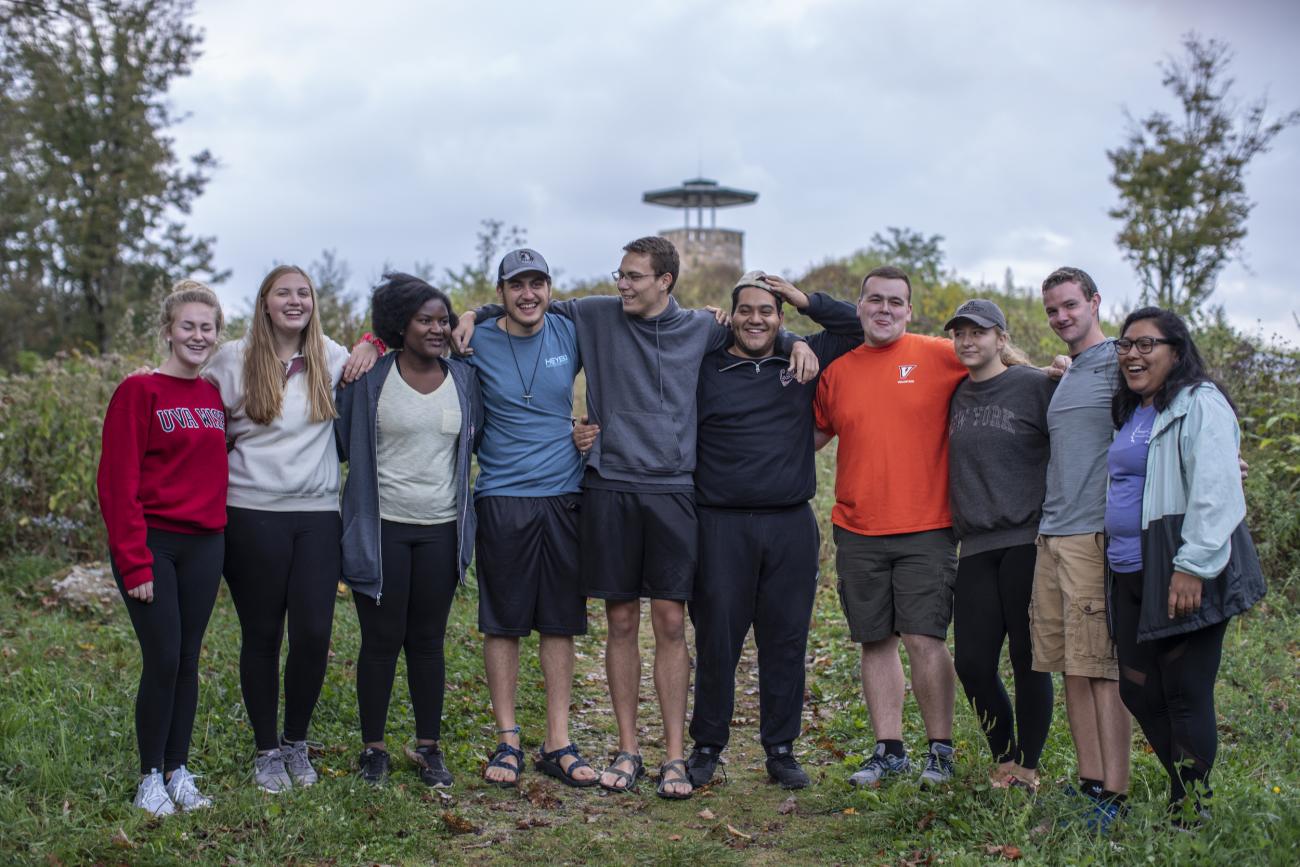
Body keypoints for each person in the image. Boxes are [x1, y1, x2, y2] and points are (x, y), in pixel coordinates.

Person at [453, 236, 818, 799]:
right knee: (621, 622)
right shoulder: (596, 314)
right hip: (609, 488)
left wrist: (795, 339)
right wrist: (474, 312)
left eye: (633, 276)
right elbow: (526, 304)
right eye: (619, 274)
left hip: (674, 491)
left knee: (671, 622)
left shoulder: (703, 326)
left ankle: (675, 755)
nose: (621, 284)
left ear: (664, 281)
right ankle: (627, 749)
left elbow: (755, 328)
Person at [203, 265, 380, 792]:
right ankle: (266, 751)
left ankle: (296, 742)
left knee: (312, 633)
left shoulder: (331, 355)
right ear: (265, 301)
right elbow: (189, 396)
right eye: (284, 293)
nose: (295, 301)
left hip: (316, 515)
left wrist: (371, 340)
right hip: (251, 512)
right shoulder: (231, 359)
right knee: (262, 635)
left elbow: (384, 361)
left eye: (303, 293)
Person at [681, 271, 860, 789]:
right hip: (720, 524)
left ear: (780, 316)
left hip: (789, 524)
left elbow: (854, 327)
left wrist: (802, 311)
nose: (755, 319)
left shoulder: (801, 359)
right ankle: (707, 746)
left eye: (767, 311)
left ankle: (780, 749)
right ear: (730, 315)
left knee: (785, 641)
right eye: (746, 311)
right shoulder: (705, 364)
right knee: (718, 641)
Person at [1105, 307, 1264, 824]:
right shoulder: (1133, 409)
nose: (1133, 354)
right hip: (1128, 567)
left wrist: (1192, 565)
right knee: (1136, 686)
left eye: (1146, 344)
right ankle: (1184, 788)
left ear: (1177, 350)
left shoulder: (1200, 403)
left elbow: (1216, 491)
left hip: (1182, 564)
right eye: (1126, 344)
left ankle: (1192, 808)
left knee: (1185, 689)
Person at [813, 265, 968, 787]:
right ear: (858, 307)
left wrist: (1057, 369)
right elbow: (807, 438)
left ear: (909, 311)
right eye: (874, 300)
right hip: (857, 527)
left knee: (925, 638)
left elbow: (1004, 369)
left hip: (927, 525)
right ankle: (889, 749)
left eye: (894, 302)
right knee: (874, 640)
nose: (884, 309)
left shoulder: (941, 355)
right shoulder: (838, 372)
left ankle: (940, 751)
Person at [335, 274, 482, 787]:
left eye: (444, 320)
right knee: (380, 640)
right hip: (382, 529)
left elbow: (474, 441)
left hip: (442, 528)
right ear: (401, 324)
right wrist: (367, 344)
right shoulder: (370, 377)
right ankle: (373, 748)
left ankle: (428, 747)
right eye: (426, 320)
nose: (438, 329)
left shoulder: (464, 378)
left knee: (427, 641)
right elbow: (340, 442)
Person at [97, 281, 228, 816]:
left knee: (189, 659)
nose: (197, 336)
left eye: (207, 327)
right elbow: (115, 482)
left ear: (217, 335)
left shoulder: (213, 395)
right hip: (153, 543)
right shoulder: (139, 391)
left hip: (205, 543)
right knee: (164, 657)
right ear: (168, 331)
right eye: (188, 326)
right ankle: (149, 776)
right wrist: (133, 560)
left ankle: (178, 770)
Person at [467, 249, 597, 788]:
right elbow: (413, 339)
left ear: (550, 288)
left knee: (559, 620)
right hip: (501, 495)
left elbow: (638, 336)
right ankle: (507, 740)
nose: (528, 294)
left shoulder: (570, 332)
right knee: (504, 620)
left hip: (564, 493)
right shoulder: (475, 339)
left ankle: (558, 741)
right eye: (517, 285)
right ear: (500, 291)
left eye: (537, 283)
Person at [1034, 267, 1131, 827]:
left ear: (1095, 302)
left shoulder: (1124, 360)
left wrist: (1224, 456)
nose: (1062, 317)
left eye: (1071, 305)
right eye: (1052, 310)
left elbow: (1184, 398)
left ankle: (1114, 797)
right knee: (1070, 666)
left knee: (1102, 668)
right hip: (1052, 533)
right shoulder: (1069, 371)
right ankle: (1090, 782)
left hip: (1094, 534)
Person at [944, 299, 1055, 791]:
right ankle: (1003, 755)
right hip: (975, 546)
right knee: (971, 662)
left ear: (1001, 339)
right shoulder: (953, 393)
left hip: (1028, 540)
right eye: (960, 333)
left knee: (1029, 659)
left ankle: (1027, 768)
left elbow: (1089, 428)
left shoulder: (1035, 386)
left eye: (979, 333)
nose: (968, 341)